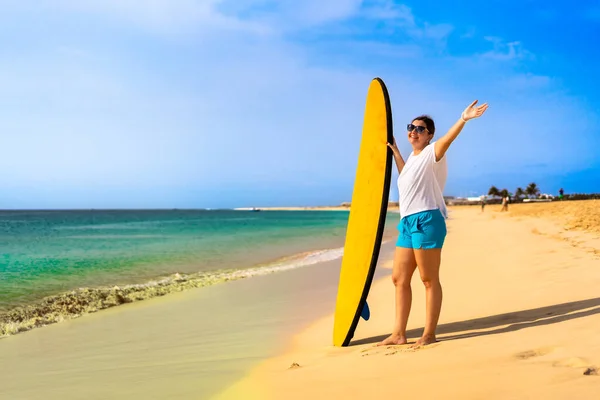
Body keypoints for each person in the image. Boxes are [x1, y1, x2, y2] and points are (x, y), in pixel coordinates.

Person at [378, 100, 489, 347]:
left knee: (428, 279)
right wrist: (396, 152)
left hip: (427, 219)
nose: (413, 131)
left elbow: (448, 139)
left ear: (429, 135)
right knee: (399, 278)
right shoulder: (413, 160)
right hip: (407, 222)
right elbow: (406, 175)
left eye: (420, 129)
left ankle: (429, 334)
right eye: (411, 127)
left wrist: (463, 118)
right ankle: (399, 334)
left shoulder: (433, 153)